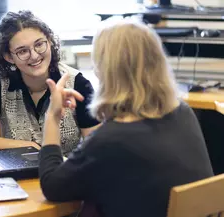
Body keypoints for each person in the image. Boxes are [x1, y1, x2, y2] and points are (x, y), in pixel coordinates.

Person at [39, 18, 214, 217]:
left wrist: (52, 117)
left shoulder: (111, 139)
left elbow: (52, 187)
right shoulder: (183, 113)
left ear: (105, 70)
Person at [0, 10, 99, 155]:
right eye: (22, 51)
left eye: (39, 44)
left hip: (66, 173)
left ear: (49, 41)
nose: (34, 55)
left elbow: (96, 148)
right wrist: (29, 146)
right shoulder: (0, 84)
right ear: (9, 57)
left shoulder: (78, 84)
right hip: (20, 174)